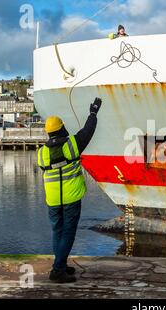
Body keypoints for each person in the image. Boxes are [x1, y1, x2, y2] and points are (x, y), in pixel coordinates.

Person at [37, 97, 102, 283]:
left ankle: (61, 265)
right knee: (68, 232)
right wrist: (93, 113)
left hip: (53, 200)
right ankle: (58, 270)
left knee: (57, 231)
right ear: (62, 128)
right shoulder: (71, 145)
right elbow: (87, 132)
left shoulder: (41, 153)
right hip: (71, 196)